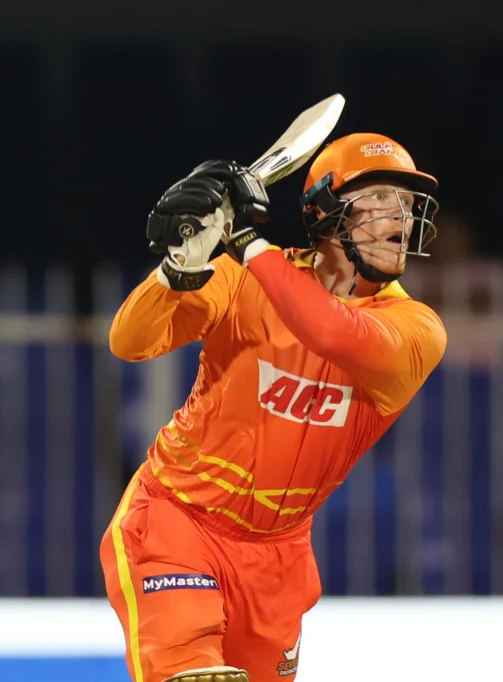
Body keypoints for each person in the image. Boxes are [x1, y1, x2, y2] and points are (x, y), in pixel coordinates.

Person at [100, 133, 448, 682]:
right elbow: (130, 341)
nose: (400, 216)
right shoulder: (241, 282)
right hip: (177, 520)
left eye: (406, 203)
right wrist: (176, 269)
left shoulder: (417, 330)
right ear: (326, 213)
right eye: (379, 198)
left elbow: (333, 331)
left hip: (278, 558)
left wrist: (240, 239)